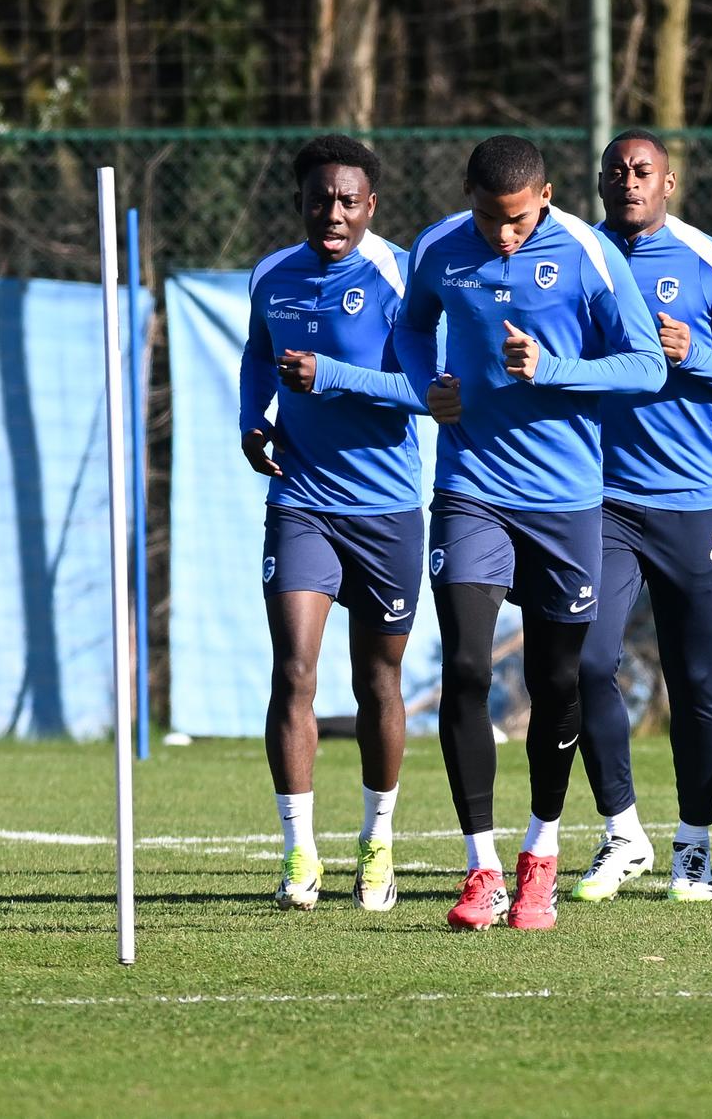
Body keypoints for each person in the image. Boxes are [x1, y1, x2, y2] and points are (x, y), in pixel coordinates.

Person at [394, 135, 664, 931]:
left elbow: (645, 365)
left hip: (567, 500)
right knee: (469, 666)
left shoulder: (586, 252)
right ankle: (480, 868)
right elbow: (412, 331)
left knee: (557, 684)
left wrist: (555, 369)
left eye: (516, 220)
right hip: (471, 488)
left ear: (545, 196)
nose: (502, 235)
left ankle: (539, 852)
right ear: (467, 196)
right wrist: (425, 388)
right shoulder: (440, 247)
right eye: (488, 217)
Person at [567, 130, 712, 904]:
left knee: (695, 682)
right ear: (597, 181)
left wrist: (696, 353)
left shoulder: (710, 260)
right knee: (585, 663)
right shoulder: (576, 257)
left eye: (642, 171)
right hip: (600, 498)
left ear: (670, 181)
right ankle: (623, 830)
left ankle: (695, 843)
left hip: (691, 501)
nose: (629, 181)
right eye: (616, 171)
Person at [238, 135, 426, 912]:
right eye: (321, 199)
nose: (334, 213)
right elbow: (257, 355)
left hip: (386, 507)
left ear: (372, 205)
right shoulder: (272, 275)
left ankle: (378, 840)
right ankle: (298, 852)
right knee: (295, 672)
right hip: (303, 501)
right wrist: (253, 422)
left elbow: (430, 389)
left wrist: (334, 377)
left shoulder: (401, 275)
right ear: (302, 201)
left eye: (349, 200)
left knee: (377, 679)